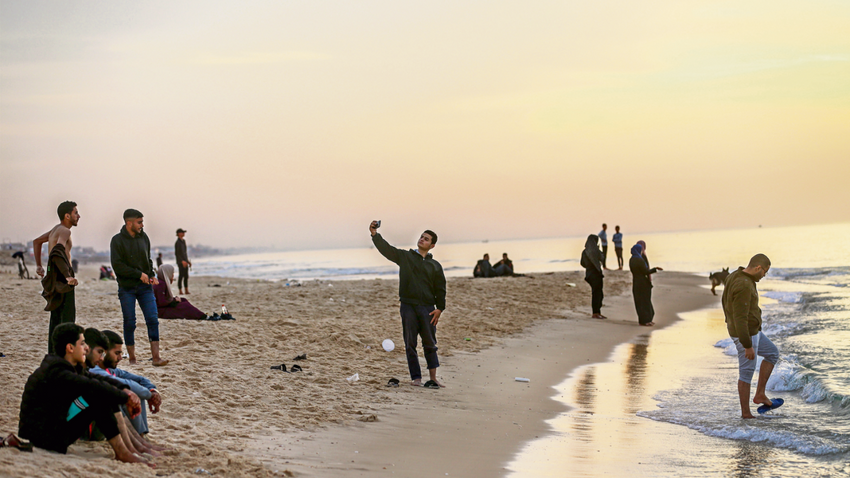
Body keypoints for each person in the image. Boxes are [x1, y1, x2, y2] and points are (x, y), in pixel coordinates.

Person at [18, 323, 152, 466]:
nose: (86, 348)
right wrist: (126, 398)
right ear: (70, 348)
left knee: (102, 391)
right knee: (98, 395)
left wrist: (124, 390)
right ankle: (123, 453)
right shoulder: (57, 371)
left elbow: (97, 379)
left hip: (55, 429)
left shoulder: (66, 366)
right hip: (46, 439)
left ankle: (126, 450)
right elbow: (91, 385)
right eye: (82, 344)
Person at [370, 221, 447, 388]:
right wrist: (375, 234)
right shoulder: (405, 257)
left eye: (426, 239)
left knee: (430, 344)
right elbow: (387, 250)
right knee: (410, 343)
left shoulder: (435, 266)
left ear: (432, 245)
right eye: (421, 237)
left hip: (428, 308)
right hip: (408, 306)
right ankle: (416, 378)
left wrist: (440, 308)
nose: (422, 240)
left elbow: (440, 289)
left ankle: (433, 378)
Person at [722, 254, 779, 419]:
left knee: (772, 353)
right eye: (764, 272)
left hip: (753, 332)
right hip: (745, 334)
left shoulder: (735, 275)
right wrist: (747, 345)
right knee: (746, 373)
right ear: (758, 268)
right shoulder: (744, 285)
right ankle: (746, 414)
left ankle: (760, 394)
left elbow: (725, 301)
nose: (764, 276)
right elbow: (740, 318)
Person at [110, 209, 168, 366]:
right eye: (139, 222)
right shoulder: (117, 240)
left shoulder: (144, 237)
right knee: (130, 322)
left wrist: (151, 274)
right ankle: (132, 359)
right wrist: (138, 274)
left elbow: (147, 259)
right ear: (129, 223)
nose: (142, 225)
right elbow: (117, 266)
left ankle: (156, 358)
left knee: (152, 319)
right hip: (127, 288)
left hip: (145, 288)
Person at [91, 330, 163, 436]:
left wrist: (153, 390)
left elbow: (140, 380)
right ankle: (139, 439)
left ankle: (141, 436)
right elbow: (127, 385)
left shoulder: (111, 370)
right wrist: (150, 395)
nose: (120, 358)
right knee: (128, 395)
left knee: (134, 394)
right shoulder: (93, 370)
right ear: (103, 352)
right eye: (116, 353)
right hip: (91, 425)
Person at [33, 201, 80, 353]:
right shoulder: (65, 231)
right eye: (75, 213)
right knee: (67, 319)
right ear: (67, 216)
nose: (78, 216)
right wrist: (67, 276)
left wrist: (39, 265)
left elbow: (37, 242)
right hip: (63, 275)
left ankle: (53, 354)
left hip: (53, 274)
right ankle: (63, 355)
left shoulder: (55, 230)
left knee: (56, 318)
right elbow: (58, 251)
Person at [629, 243, 661, 326]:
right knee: (645, 301)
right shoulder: (639, 260)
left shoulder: (631, 260)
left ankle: (642, 321)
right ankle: (646, 320)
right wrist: (655, 269)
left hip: (636, 283)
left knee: (639, 302)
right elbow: (645, 272)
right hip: (643, 283)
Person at [580, 234, 605, 319]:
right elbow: (602, 258)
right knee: (598, 294)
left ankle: (597, 312)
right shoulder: (595, 251)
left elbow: (582, 263)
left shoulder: (584, 252)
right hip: (596, 274)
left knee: (596, 293)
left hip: (589, 274)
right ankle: (596, 312)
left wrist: (588, 266)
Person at [174, 229, 191, 295]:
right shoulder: (177, 243)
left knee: (186, 276)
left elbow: (185, 253)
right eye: (182, 232)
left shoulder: (183, 241)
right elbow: (177, 253)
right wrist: (182, 261)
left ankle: (186, 290)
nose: (184, 233)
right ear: (179, 233)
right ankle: (180, 290)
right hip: (180, 262)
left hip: (185, 261)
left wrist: (187, 261)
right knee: (181, 276)